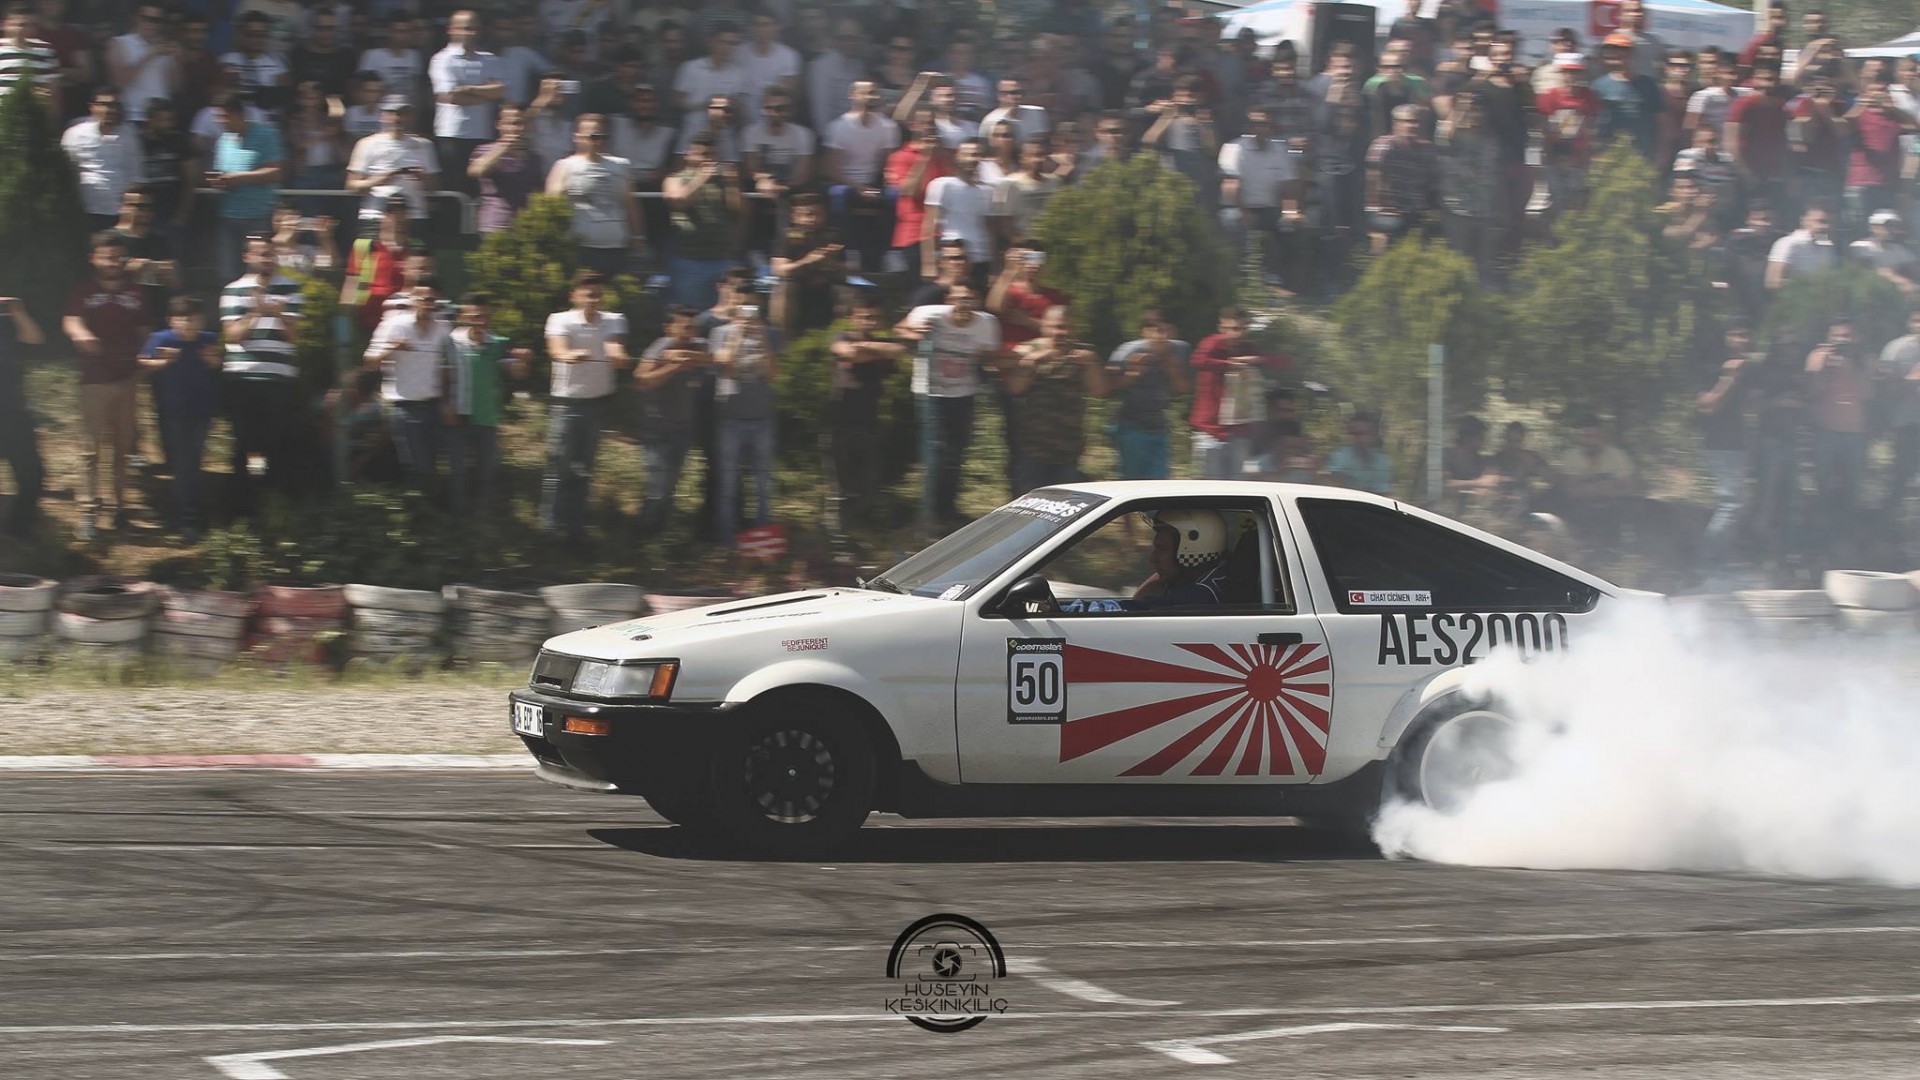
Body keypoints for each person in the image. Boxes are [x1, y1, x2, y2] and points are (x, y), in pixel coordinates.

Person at [62, 232, 149, 539]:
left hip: (127, 378)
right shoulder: (83, 289)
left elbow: (144, 329)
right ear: (94, 259)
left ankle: (120, 508)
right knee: (90, 449)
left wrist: (148, 358)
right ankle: (88, 511)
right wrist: (80, 334)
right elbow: (71, 319)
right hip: (95, 377)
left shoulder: (136, 291)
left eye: (118, 257)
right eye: (107, 257)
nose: (114, 263)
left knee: (123, 449)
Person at [897, 282, 1000, 527]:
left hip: (964, 392)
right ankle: (929, 511)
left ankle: (947, 508)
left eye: (969, 300)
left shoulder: (987, 323)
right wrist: (915, 334)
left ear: (977, 302)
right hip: (931, 391)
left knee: (956, 452)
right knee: (935, 451)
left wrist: (985, 360)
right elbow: (899, 329)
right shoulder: (928, 314)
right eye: (959, 299)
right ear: (948, 300)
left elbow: (991, 354)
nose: (963, 305)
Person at [541, 270, 630, 542]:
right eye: (588, 295)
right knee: (559, 466)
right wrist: (569, 355)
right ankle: (549, 528)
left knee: (584, 468)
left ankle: (576, 527)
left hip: (598, 404)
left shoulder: (615, 319)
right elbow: (556, 349)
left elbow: (614, 344)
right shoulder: (559, 319)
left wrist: (618, 356)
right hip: (567, 404)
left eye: (598, 295)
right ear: (574, 296)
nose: (593, 300)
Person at [219, 234, 304, 515]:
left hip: (278, 377)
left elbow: (295, 337)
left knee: (275, 441)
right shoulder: (233, 290)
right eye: (261, 253)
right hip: (242, 377)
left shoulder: (291, 288)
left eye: (270, 253)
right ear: (247, 256)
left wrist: (280, 315)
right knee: (244, 441)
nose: (267, 258)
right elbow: (232, 335)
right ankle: (240, 509)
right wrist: (255, 313)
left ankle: (272, 505)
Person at [135, 296, 218, 538]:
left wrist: (213, 360)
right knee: (180, 463)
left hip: (201, 410)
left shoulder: (208, 339)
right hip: (172, 411)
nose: (190, 324)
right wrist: (163, 361)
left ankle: (188, 517)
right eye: (185, 319)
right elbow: (142, 361)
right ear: (172, 320)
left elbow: (218, 363)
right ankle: (183, 517)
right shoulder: (162, 338)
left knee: (193, 462)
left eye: (196, 319)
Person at [442, 292, 530, 514]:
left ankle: (482, 519)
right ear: (463, 316)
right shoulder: (451, 342)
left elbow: (514, 370)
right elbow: (442, 376)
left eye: (484, 316)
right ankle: (456, 517)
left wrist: (521, 362)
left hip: (487, 416)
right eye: (474, 316)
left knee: (486, 471)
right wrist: (445, 405)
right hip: (459, 414)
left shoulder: (497, 343)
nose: (480, 321)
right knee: (458, 470)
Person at [1001, 306, 1104, 494]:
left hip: (1069, 446)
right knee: (1029, 499)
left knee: (1064, 502)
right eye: (1056, 327)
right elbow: (1014, 388)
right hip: (1033, 445)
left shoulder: (1082, 354)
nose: (1061, 332)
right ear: (1044, 327)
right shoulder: (1028, 350)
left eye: (1065, 327)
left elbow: (1099, 390)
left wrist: (1091, 364)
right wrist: (1032, 362)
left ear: (1073, 329)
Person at [363, 279, 453, 487]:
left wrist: (447, 403)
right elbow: (369, 361)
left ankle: (423, 502)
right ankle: (415, 502)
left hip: (433, 406)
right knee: (418, 466)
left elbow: (450, 365)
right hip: (404, 407)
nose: (427, 304)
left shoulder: (442, 329)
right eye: (422, 299)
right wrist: (393, 347)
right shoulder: (395, 324)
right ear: (412, 299)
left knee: (430, 465)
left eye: (431, 299)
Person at [707, 298, 780, 548]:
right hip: (731, 421)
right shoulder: (720, 333)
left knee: (763, 485)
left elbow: (773, 374)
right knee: (728, 485)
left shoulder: (767, 335)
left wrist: (763, 339)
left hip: (762, 420)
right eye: (742, 313)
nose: (748, 318)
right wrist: (738, 335)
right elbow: (726, 367)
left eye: (752, 312)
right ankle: (727, 541)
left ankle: (761, 543)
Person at [828, 296, 906, 526]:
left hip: (870, 417)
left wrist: (865, 347)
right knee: (841, 474)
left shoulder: (882, 340)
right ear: (852, 318)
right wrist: (876, 352)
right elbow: (848, 352)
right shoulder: (841, 336)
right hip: (841, 416)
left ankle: (865, 520)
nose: (868, 322)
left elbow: (899, 350)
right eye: (863, 317)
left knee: (869, 473)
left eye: (873, 317)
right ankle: (840, 525)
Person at [633, 304, 709, 539]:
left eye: (693, 328)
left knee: (671, 485)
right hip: (657, 429)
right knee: (657, 487)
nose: (690, 333)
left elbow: (715, 358)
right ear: (669, 328)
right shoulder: (660, 347)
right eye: (685, 328)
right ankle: (641, 533)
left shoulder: (696, 345)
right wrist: (673, 367)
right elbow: (642, 379)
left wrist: (688, 356)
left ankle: (660, 534)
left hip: (682, 428)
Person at [1189, 307, 1284, 480]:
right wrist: (1228, 365)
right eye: (1233, 329)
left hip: (1240, 432)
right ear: (1221, 328)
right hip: (1211, 430)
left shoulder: (1248, 347)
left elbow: (1282, 362)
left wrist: (1257, 359)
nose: (1238, 334)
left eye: (1242, 328)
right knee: (1209, 486)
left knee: (1237, 486)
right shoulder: (1213, 343)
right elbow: (1198, 361)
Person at [1804, 317, 1870, 560]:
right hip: (1826, 431)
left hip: (1855, 433)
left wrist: (1852, 367)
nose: (1842, 341)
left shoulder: (1864, 359)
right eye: (1838, 336)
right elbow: (1810, 392)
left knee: (1852, 489)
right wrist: (1826, 370)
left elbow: (1868, 393)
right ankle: (1819, 543)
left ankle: (1845, 543)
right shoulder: (1819, 356)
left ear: (1856, 338)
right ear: (1829, 337)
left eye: (1847, 336)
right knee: (1823, 487)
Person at [1695, 319, 1758, 574]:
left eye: (1747, 335)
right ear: (1727, 337)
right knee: (1731, 503)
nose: (1743, 340)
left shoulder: (1749, 369)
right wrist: (1729, 378)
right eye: (1737, 334)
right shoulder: (1713, 366)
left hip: (1740, 445)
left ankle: (1721, 559)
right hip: (1720, 444)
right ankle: (1706, 562)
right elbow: (1707, 407)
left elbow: (1752, 407)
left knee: (1740, 503)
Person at [548, 113, 643, 278]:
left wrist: (638, 235)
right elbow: (551, 202)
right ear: (577, 137)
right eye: (592, 136)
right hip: (582, 246)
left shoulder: (620, 165)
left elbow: (630, 203)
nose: (597, 141)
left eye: (602, 137)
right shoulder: (564, 166)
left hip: (616, 244)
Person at [207, 92, 286, 286]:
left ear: (238, 114)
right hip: (228, 216)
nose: (219, 121)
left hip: (257, 217)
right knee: (228, 272)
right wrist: (218, 180)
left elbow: (277, 172)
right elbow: (223, 172)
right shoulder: (223, 140)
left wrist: (240, 178)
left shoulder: (266, 135)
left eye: (223, 116)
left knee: (258, 270)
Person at [1105, 311, 1190, 481]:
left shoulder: (1179, 349)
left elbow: (1184, 388)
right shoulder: (1130, 350)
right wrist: (1133, 373)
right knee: (1133, 482)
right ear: (1144, 332)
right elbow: (1107, 386)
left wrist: (1172, 370)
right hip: (1130, 426)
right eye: (1157, 331)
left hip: (1159, 427)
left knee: (1158, 482)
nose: (1162, 337)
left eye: (1167, 331)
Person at [428, 9, 504, 198]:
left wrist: (468, 88)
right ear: (451, 29)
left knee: (481, 188)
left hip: (483, 133)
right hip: (452, 134)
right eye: (466, 28)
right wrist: (485, 93)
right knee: (455, 189)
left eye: (475, 28)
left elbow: (500, 91)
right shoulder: (442, 59)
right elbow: (450, 96)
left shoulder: (490, 59)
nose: (472, 33)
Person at [663, 132, 743, 309]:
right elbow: (678, 201)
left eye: (712, 154)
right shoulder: (676, 179)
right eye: (703, 154)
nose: (708, 159)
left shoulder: (722, 182)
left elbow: (737, 211)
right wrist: (700, 178)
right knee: (689, 311)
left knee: (726, 312)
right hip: (690, 260)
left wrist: (732, 184)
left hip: (723, 258)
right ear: (688, 155)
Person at [347, 96, 437, 240]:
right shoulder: (366, 144)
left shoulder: (424, 145)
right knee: (370, 254)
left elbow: (435, 186)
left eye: (403, 113)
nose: (397, 118)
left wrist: (423, 178)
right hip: (375, 215)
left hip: (414, 216)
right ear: (382, 115)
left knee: (415, 254)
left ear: (410, 116)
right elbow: (351, 185)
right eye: (392, 113)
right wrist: (376, 181)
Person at [0, 293, 47, 538]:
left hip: (11, 410)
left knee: (32, 474)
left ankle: (18, 529)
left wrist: (18, 312)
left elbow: (35, 338)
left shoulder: (4, 321)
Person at [62, 90, 143, 232]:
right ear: (92, 106)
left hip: (119, 211)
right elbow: (66, 170)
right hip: (87, 208)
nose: (109, 109)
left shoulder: (128, 134)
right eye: (104, 104)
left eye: (114, 105)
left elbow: (135, 173)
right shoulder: (75, 134)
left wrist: (133, 211)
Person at [469, 103, 544, 235]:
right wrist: (503, 148)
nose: (518, 129)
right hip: (496, 225)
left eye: (523, 123)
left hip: (527, 227)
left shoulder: (534, 157)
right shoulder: (485, 150)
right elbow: (476, 171)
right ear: (499, 125)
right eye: (513, 123)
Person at [1130, 510, 1230, 608]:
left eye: (1162, 549)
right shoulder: (1210, 575)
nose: (1152, 558)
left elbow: (1135, 610)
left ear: (1191, 550)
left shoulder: (1199, 596)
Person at [1878, 309, 1920, 522]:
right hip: (1906, 423)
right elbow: (1883, 389)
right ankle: (1891, 522)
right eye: (1917, 320)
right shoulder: (1895, 349)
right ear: (1909, 322)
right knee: (1901, 475)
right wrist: (1911, 379)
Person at [106, 3, 177, 124]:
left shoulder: (166, 45)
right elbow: (118, 81)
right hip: (133, 116)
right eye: (146, 19)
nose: (151, 24)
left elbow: (176, 87)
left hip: (162, 119)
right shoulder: (119, 43)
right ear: (136, 18)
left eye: (156, 20)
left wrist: (176, 59)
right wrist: (150, 55)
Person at [1766, 201, 1836, 290]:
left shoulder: (1827, 246)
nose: (1826, 226)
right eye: (1821, 221)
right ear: (1804, 220)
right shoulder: (1786, 243)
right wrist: (1808, 285)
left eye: (1829, 222)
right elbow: (1772, 281)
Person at [1325, 410, 1394, 495]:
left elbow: (1382, 495)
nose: (1356, 438)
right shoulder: (1341, 457)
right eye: (1353, 433)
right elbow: (1332, 487)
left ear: (1374, 435)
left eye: (1362, 433)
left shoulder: (1382, 462)